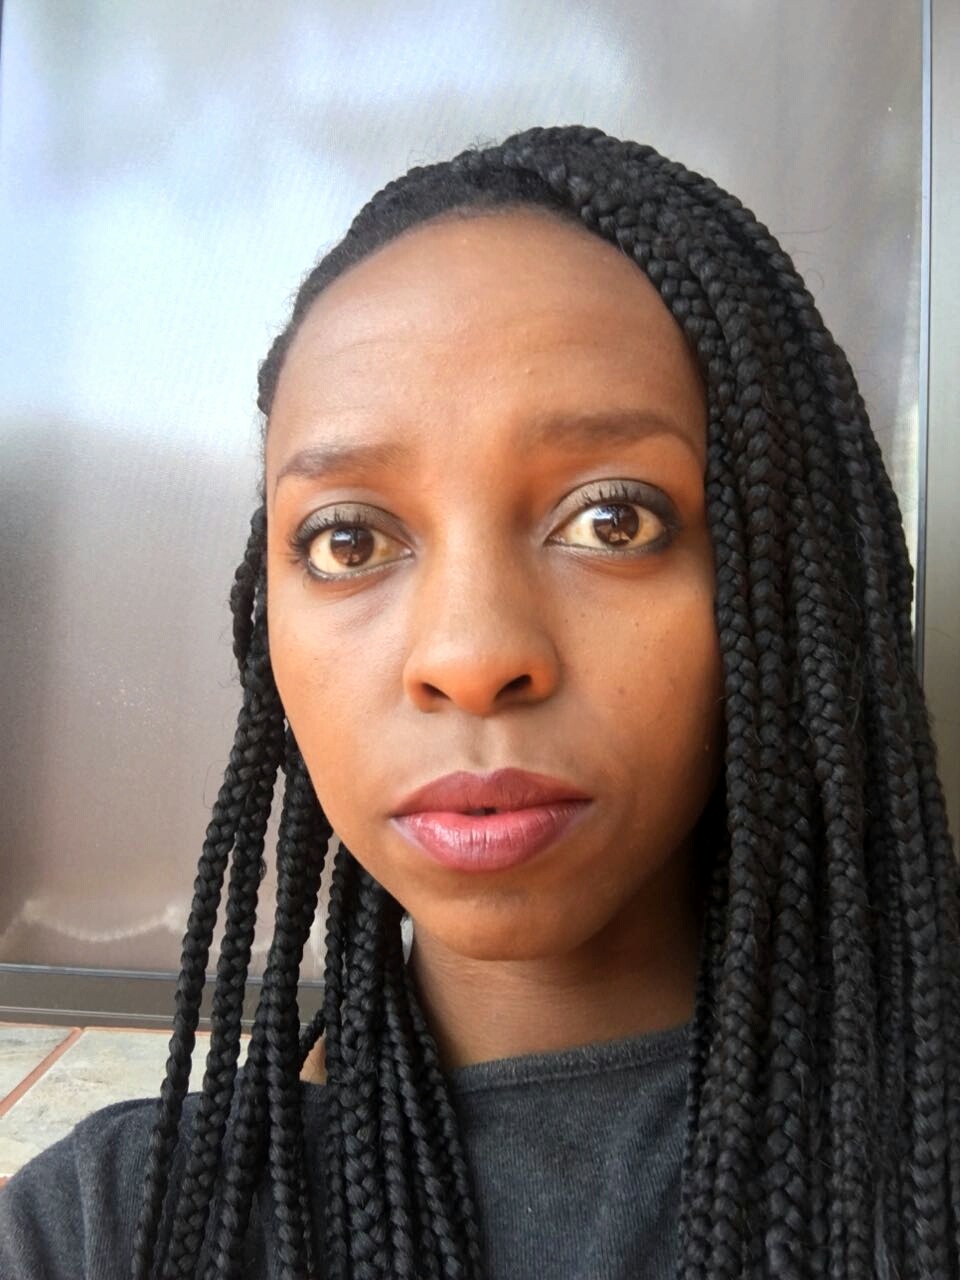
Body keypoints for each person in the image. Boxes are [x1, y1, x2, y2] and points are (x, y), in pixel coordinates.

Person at [1, 123, 957, 1280]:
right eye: (349, 538)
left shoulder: (920, 1174)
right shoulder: (105, 1229)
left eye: (613, 518)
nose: (469, 656)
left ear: (785, 581)